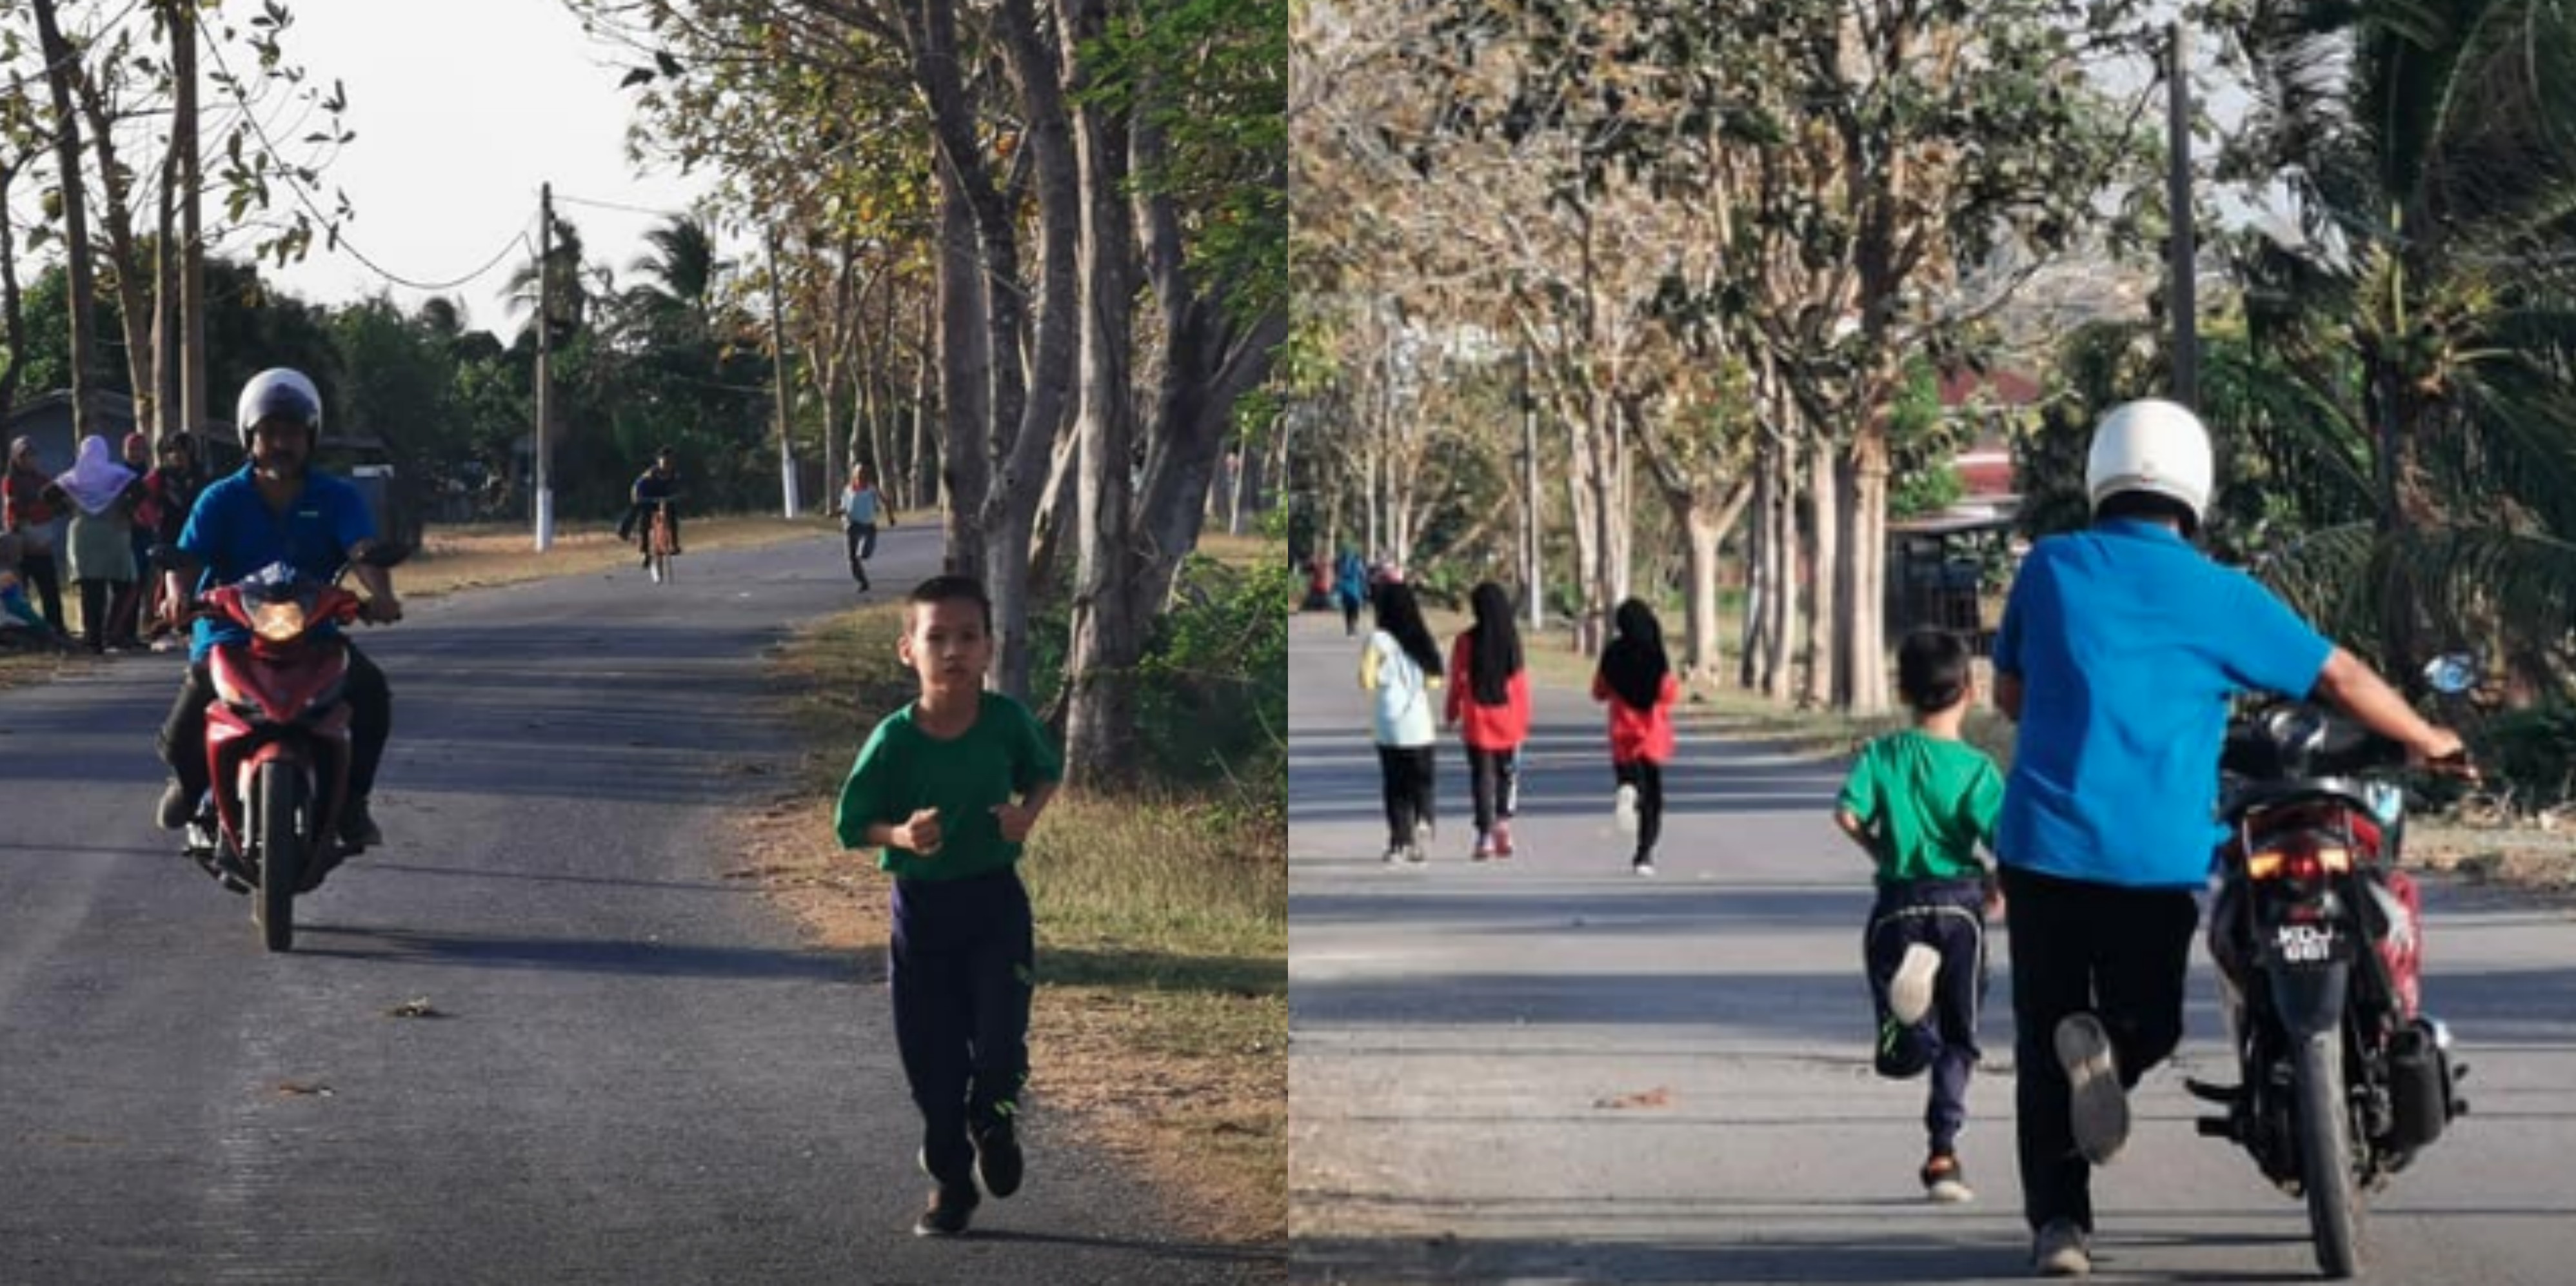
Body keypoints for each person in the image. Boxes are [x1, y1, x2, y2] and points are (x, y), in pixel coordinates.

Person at [1990, 398, 2465, 1277]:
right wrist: (2429, 740)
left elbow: (2009, 697)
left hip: (2044, 843)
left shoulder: (2050, 568)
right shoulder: (2219, 593)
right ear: (2192, 490)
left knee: (2044, 1032)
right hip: (2154, 851)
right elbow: (2339, 673)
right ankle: (2119, 1054)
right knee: (2148, 1017)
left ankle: (2060, 1228)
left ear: (2100, 477)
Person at [833, 575, 1062, 1237]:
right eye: (937, 637)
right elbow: (852, 823)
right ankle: (951, 1183)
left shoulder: (1006, 721)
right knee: (932, 1061)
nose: (953, 650)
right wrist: (899, 834)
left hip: (995, 904)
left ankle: (994, 1119)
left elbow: (1044, 771)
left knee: (997, 1039)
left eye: (968, 636)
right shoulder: (894, 739)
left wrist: (1027, 815)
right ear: (908, 650)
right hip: (923, 912)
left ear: (990, 647)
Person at [156, 368, 402, 854]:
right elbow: (186, 558)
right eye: (269, 433)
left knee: (371, 694)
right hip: (230, 634)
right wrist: (178, 595)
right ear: (250, 437)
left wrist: (382, 596)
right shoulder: (220, 498)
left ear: (310, 438)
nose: (280, 444)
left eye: (291, 433)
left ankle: (352, 801)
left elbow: (361, 550)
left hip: (314, 633)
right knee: (193, 702)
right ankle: (187, 783)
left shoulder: (337, 497)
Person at [1835, 628, 2005, 1207]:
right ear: (1971, 689)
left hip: (1897, 907)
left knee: (1901, 1050)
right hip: (1959, 907)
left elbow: (1848, 815)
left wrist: (1884, 852)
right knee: (1963, 1040)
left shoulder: (1881, 755)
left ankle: (1911, 1029)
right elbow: (2006, 841)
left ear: (1902, 689)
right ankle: (1943, 1152)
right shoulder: (1980, 771)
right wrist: (1995, 885)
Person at [1445, 581, 1531, 860]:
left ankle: (1485, 837)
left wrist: (1451, 713)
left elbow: (1457, 682)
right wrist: (1523, 722)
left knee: (1482, 778)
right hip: (1509, 719)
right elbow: (1519, 683)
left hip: (1477, 719)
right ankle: (1503, 823)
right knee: (1507, 774)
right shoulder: (1511, 639)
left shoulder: (1465, 641)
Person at [1592, 598, 1678, 876]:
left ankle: (1627, 789)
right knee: (1653, 800)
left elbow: (1599, 692)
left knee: (1629, 780)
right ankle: (1644, 854)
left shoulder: (1613, 653)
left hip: (1622, 735)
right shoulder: (1657, 655)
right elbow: (1668, 694)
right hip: (1651, 736)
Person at [1362, 579, 1444, 864]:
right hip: (1420, 725)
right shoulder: (1422, 639)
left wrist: (1387, 677)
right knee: (1423, 781)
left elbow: (1367, 681)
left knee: (1395, 786)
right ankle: (1424, 819)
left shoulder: (1378, 641)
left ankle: (1399, 842)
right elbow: (1434, 681)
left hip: (1389, 727)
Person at [48, 435, 144, 654]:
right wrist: (126, 511)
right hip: (114, 532)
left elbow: (47, 495)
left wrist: (66, 508)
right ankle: (112, 631)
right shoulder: (116, 475)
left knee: (92, 590)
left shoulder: (73, 477)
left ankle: (94, 640)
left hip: (84, 535)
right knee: (124, 585)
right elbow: (141, 490)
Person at [139, 432, 203, 650]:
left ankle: (191, 628)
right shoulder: (160, 476)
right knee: (167, 583)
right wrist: (151, 519)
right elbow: (140, 497)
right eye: (172, 451)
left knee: (196, 583)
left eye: (182, 451)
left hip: (195, 535)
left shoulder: (200, 475)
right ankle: (163, 627)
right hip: (168, 535)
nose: (177, 456)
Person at [2, 437, 68, 633]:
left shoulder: (43, 481)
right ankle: (26, 630)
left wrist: (47, 508)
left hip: (42, 545)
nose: (28, 460)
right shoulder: (10, 482)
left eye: (31, 456)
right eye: (23, 456)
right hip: (19, 548)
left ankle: (56, 630)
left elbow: (60, 505)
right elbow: (14, 511)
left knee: (50, 592)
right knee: (19, 595)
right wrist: (38, 509)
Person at [619, 448, 683, 568]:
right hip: (647, 497)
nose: (667, 466)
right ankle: (638, 544)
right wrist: (639, 498)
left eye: (670, 462)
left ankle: (674, 544)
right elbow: (637, 488)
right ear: (659, 462)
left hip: (665, 498)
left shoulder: (676, 475)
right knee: (643, 515)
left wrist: (680, 496)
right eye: (665, 462)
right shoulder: (649, 475)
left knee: (672, 513)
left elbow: (681, 489)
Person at [843, 462, 895, 591]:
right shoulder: (848, 490)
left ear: (867, 475)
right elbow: (844, 507)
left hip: (868, 526)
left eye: (863, 473)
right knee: (852, 558)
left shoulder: (872, 489)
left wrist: (890, 518)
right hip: (852, 525)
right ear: (854, 475)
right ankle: (863, 582)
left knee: (864, 554)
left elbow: (886, 502)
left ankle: (863, 555)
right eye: (858, 473)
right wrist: (835, 513)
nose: (860, 476)